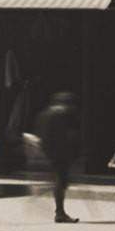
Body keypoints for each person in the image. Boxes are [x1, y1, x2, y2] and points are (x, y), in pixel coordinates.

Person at [35, 92, 81, 223]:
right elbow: (67, 135)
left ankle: (60, 211)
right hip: (60, 152)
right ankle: (60, 212)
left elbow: (40, 134)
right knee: (61, 181)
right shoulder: (61, 115)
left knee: (59, 180)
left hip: (49, 151)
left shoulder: (44, 114)